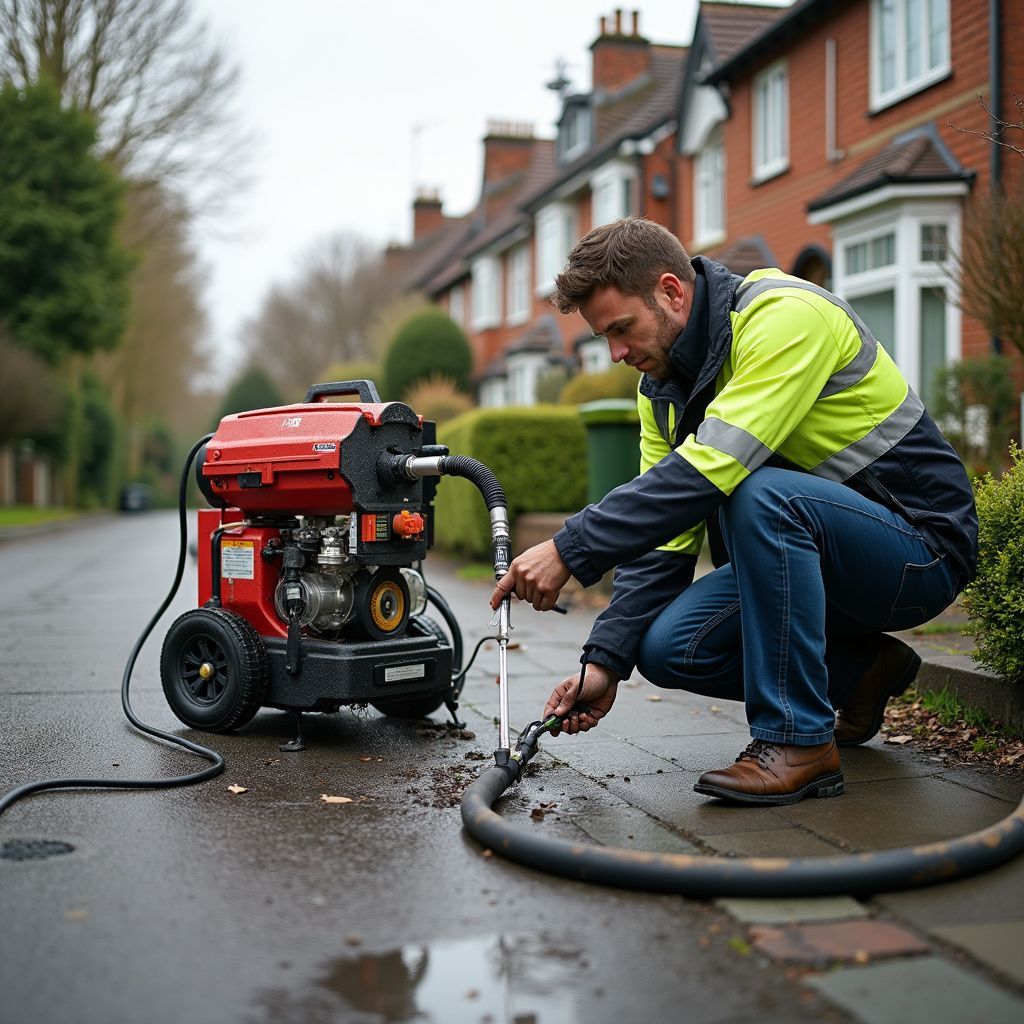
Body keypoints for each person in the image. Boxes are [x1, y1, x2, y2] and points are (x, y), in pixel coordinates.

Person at [489, 217, 977, 806]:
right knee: (669, 647)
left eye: (622, 329)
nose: (617, 353)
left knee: (759, 490)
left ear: (671, 292)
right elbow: (663, 541)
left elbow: (712, 469)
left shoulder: (786, 317)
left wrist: (569, 548)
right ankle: (863, 670)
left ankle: (797, 741)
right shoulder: (662, 394)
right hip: (821, 570)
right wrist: (605, 661)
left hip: (917, 556)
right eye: (604, 339)